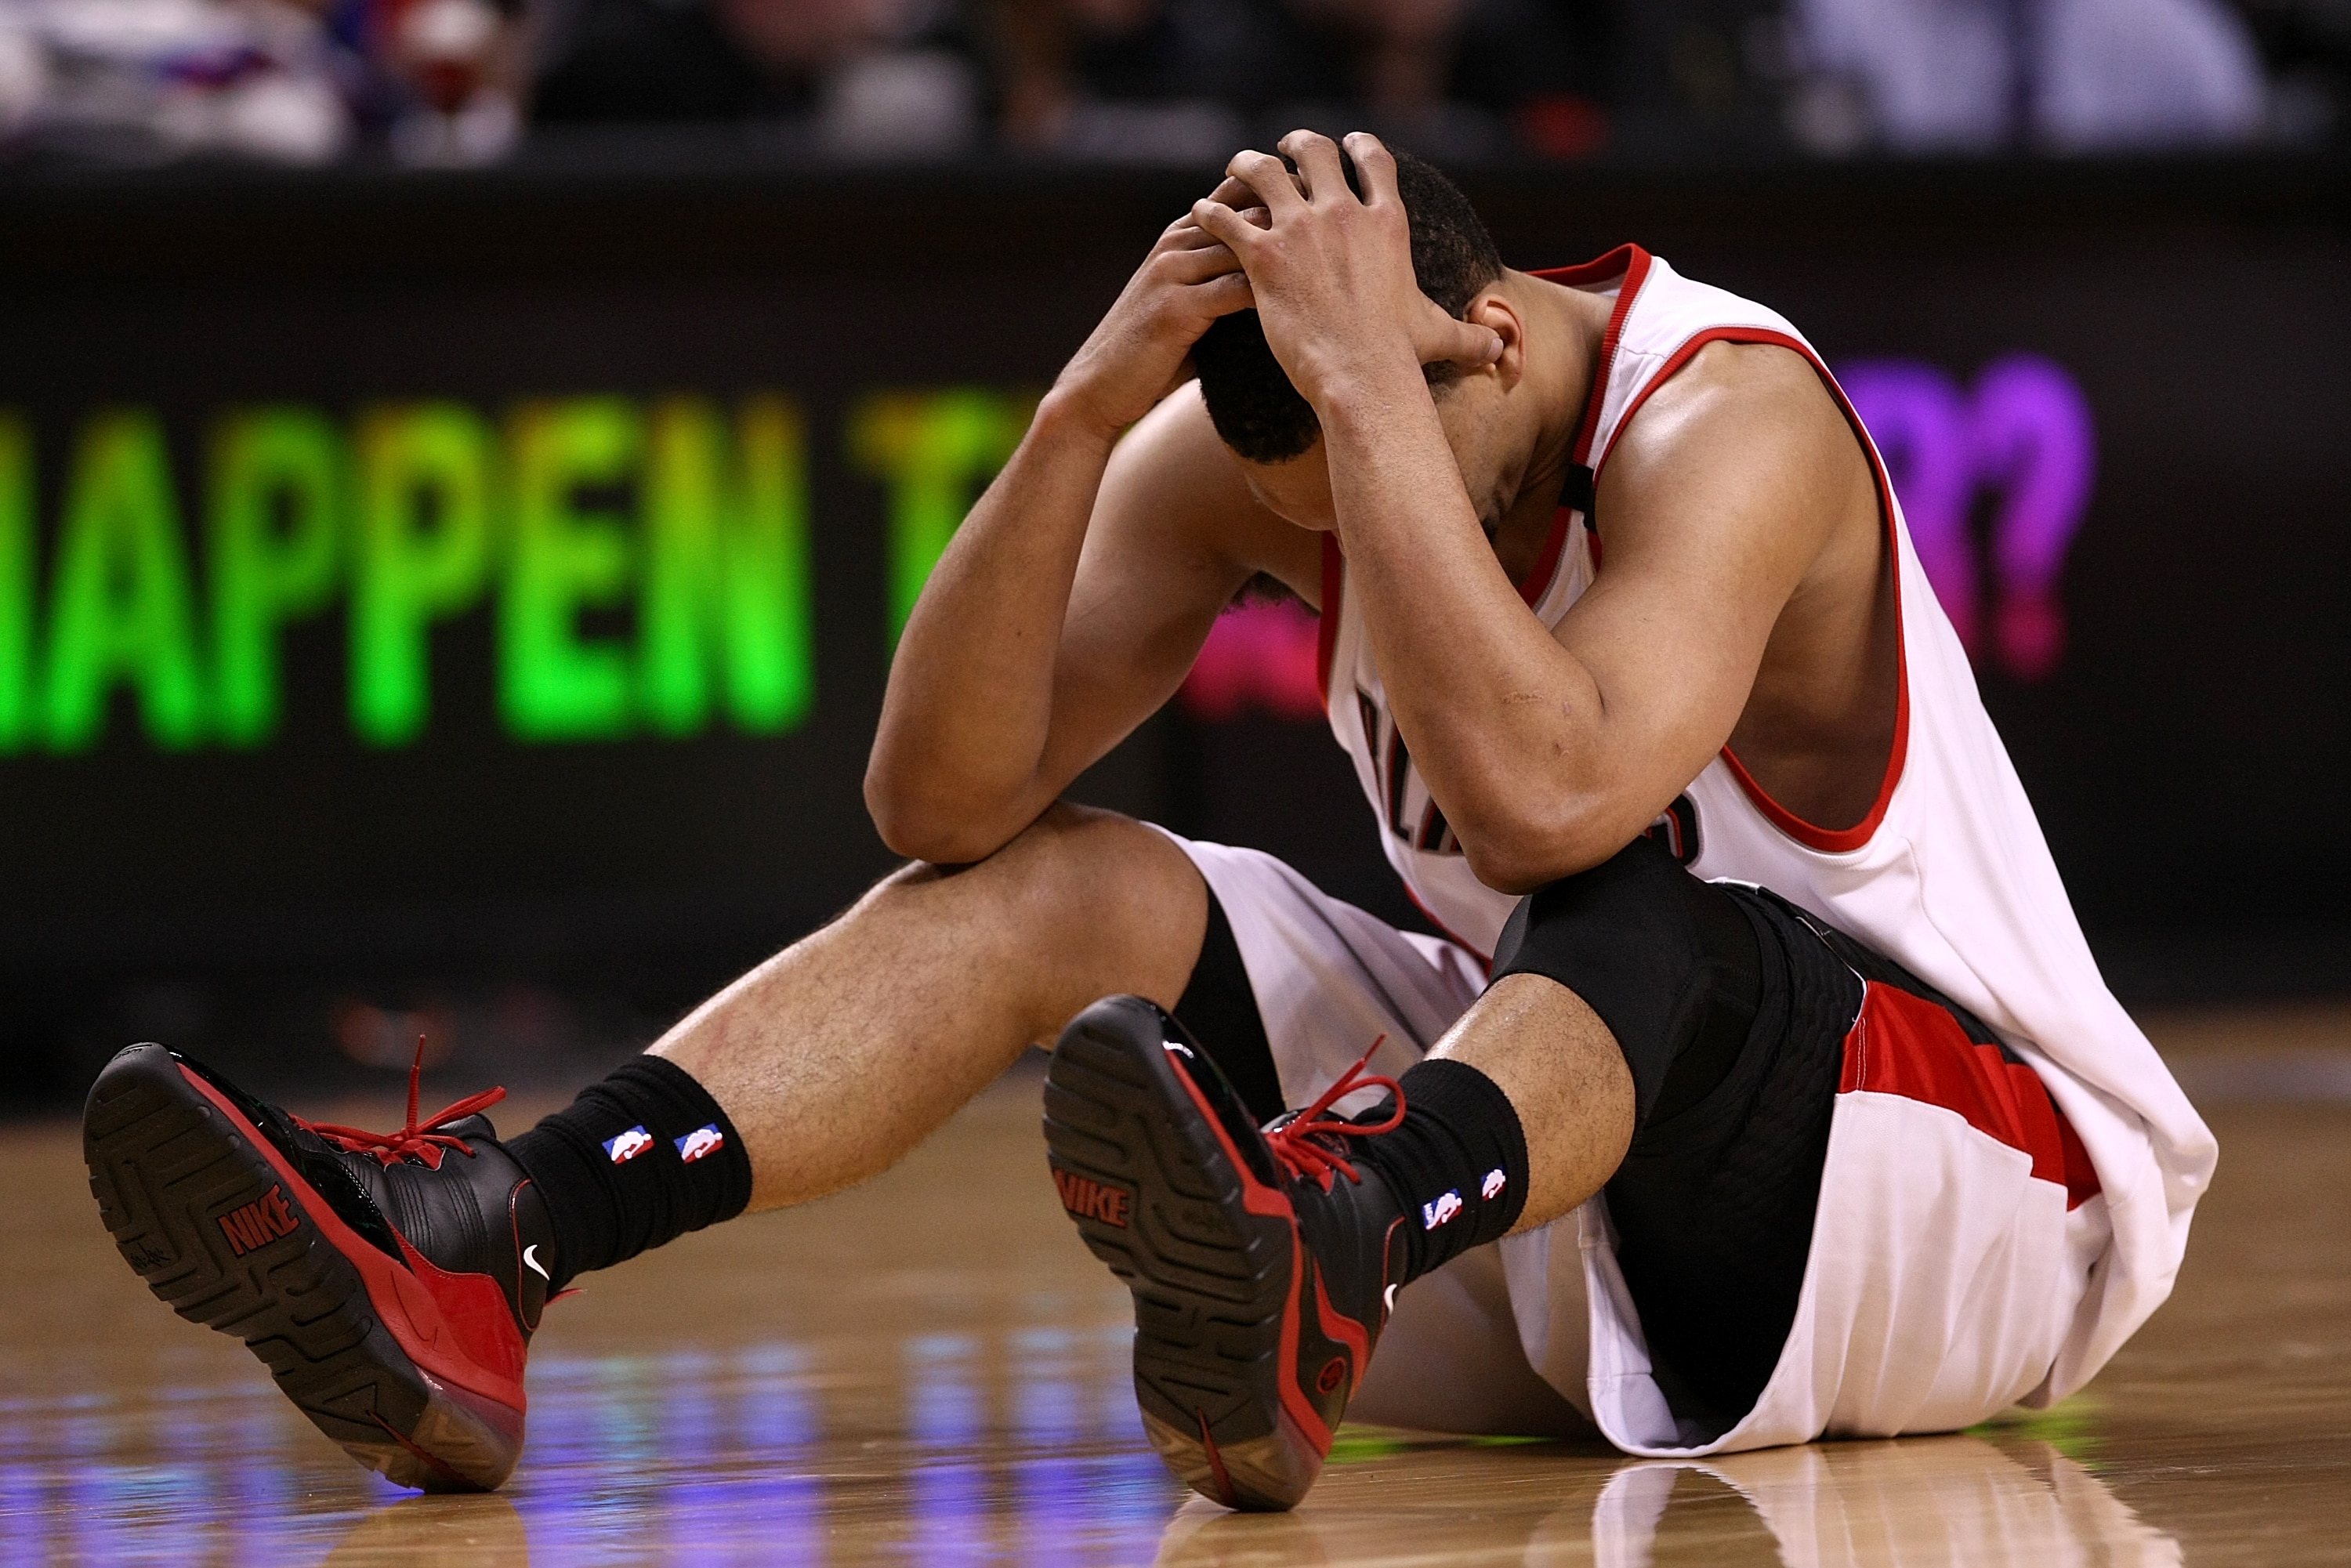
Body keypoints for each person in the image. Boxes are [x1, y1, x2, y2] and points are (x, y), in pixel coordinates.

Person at [82, 132, 2214, 1511]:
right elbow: (933, 797)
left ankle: (1341, 1226)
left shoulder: (1730, 416)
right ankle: (496, 1238)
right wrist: (1090, 405)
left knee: (1617, 892)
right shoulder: (1289, 437)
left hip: (1977, 1186)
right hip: (1570, 1166)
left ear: (1484, 341)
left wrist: (1371, 405)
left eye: (1385, 445)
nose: (1337, 537)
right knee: (1056, 879)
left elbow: (1560, 785)